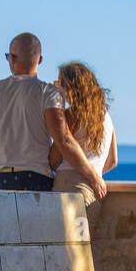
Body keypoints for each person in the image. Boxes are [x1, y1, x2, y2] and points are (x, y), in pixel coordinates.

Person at [0, 33, 106, 199]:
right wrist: (93, 177)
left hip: (0, 181)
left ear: (12, 59)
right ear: (40, 60)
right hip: (37, 180)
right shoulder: (48, 93)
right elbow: (64, 140)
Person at [49, 61, 118, 225]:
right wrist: (94, 176)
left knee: (65, 249)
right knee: (83, 250)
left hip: (68, 189)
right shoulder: (106, 118)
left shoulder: (70, 116)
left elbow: (54, 159)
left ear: (71, 88)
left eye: (60, 83)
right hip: (93, 193)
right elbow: (113, 161)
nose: (57, 86)